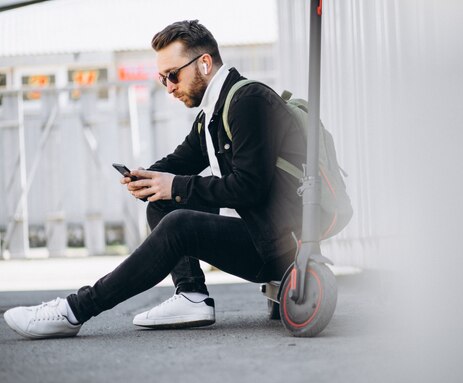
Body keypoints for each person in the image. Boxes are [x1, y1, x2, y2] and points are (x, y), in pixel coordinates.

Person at [3, 20, 306, 339]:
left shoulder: (247, 101)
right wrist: (147, 178)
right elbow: (181, 160)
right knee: (162, 201)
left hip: (284, 247)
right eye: (162, 78)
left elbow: (250, 187)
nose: (169, 86)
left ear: (204, 63)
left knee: (179, 222)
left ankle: (75, 310)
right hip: (263, 237)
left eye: (173, 75)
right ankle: (192, 296)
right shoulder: (214, 113)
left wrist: (174, 185)